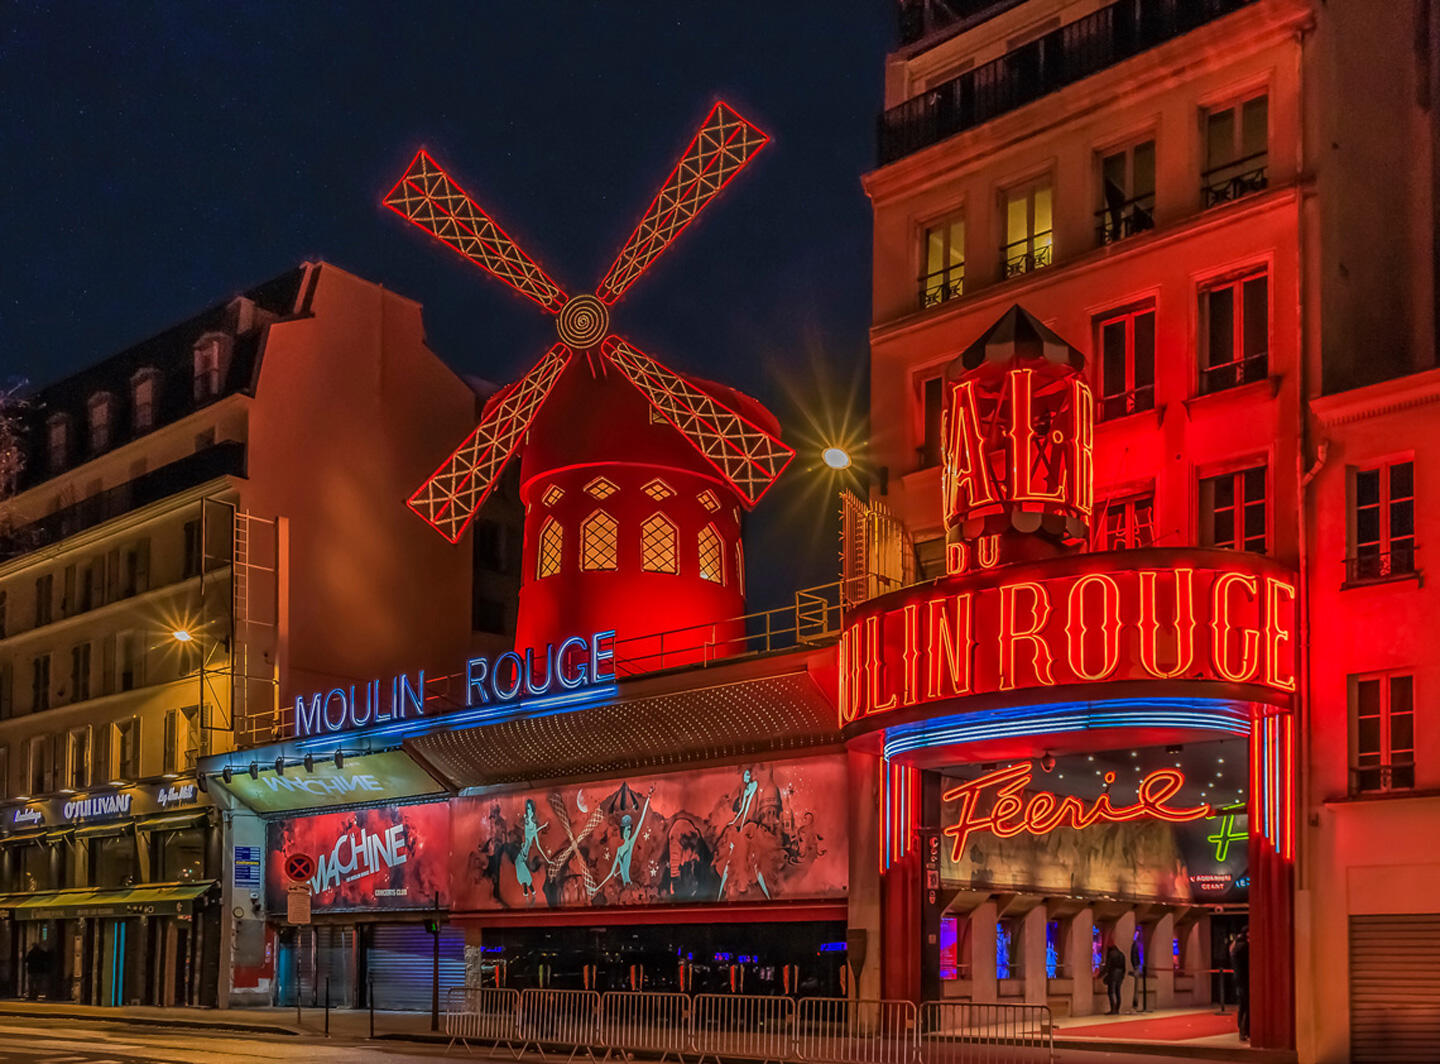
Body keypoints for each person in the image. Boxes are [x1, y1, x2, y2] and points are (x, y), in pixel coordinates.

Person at [1230, 927, 1250, 1041]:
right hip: (1245, 980)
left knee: (1242, 1005)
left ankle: (1242, 1030)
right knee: (1246, 1006)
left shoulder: (1235, 947)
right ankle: (1245, 1030)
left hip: (1238, 979)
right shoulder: (1245, 947)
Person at [1103, 944, 1127, 1015]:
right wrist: (1122, 975)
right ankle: (1117, 1009)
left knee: (1111, 992)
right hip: (1120, 975)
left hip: (1113, 974)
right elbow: (1124, 967)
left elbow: (1108, 966)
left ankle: (1112, 1009)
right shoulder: (1122, 954)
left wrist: (1101, 974)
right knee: (1118, 992)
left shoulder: (1111, 954)